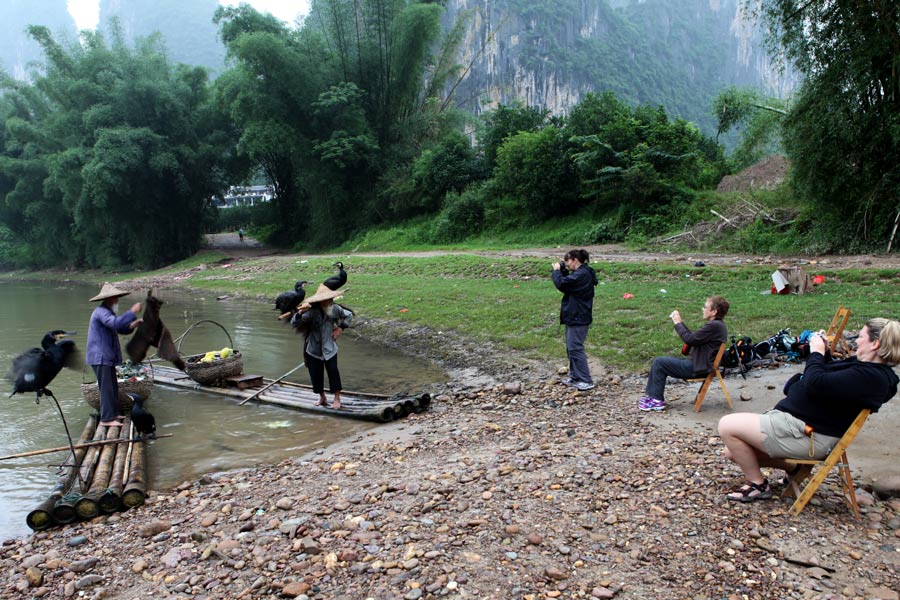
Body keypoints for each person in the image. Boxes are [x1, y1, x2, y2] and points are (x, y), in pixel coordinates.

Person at [718, 318, 900, 502]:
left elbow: (815, 383)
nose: (857, 340)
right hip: (799, 426)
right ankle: (793, 468)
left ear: (875, 344)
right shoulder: (864, 369)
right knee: (731, 452)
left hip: (808, 435)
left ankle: (757, 485)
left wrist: (817, 354)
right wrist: (825, 353)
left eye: (861, 336)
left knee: (727, 425)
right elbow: (831, 380)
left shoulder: (871, 378)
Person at [639, 296, 729, 412]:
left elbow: (690, 339)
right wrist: (680, 322)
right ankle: (653, 398)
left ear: (714, 311)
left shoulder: (714, 326)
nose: (703, 309)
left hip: (696, 368)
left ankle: (656, 401)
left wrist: (677, 322)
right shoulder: (718, 325)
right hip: (701, 366)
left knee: (659, 362)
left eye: (705, 307)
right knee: (661, 362)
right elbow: (693, 338)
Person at [86, 283, 142, 427]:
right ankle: (106, 419)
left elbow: (120, 328)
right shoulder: (101, 312)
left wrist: (134, 324)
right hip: (100, 357)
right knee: (106, 388)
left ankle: (112, 414)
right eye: (116, 298)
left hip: (106, 357)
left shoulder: (107, 312)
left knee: (112, 386)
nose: (117, 301)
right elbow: (117, 324)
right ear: (110, 299)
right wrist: (132, 311)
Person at [292, 284, 353, 409]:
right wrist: (299, 313)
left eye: (330, 300)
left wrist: (340, 329)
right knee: (315, 374)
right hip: (313, 349)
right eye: (326, 300)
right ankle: (322, 397)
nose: (328, 302)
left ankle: (337, 399)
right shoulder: (311, 313)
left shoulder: (335, 309)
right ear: (320, 301)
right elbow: (295, 323)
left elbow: (349, 315)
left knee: (333, 372)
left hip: (330, 348)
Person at [551, 249, 598, 391]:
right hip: (575, 315)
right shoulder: (583, 273)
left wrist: (556, 271)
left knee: (575, 348)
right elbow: (568, 284)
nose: (567, 264)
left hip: (579, 316)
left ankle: (585, 379)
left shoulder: (582, 275)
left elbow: (561, 284)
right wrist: (564, 271)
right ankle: (575, 376)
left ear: (575, 260)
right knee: (571, 348)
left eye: (567, 261)